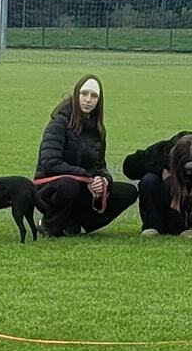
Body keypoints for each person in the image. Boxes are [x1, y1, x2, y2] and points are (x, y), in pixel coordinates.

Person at [33, 75, 139, 236]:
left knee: (128, 192)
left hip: (83, 186)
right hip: (50, 187)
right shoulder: (59, 123)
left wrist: (102, 181)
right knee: (69, 185)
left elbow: (99, 165)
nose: (88, 99)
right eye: (84, 94)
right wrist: (86, 176)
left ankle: (76, 224)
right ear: (77, 95)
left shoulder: (98, 129)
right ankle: (49, 224)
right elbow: (49, 163)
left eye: (94, 96)